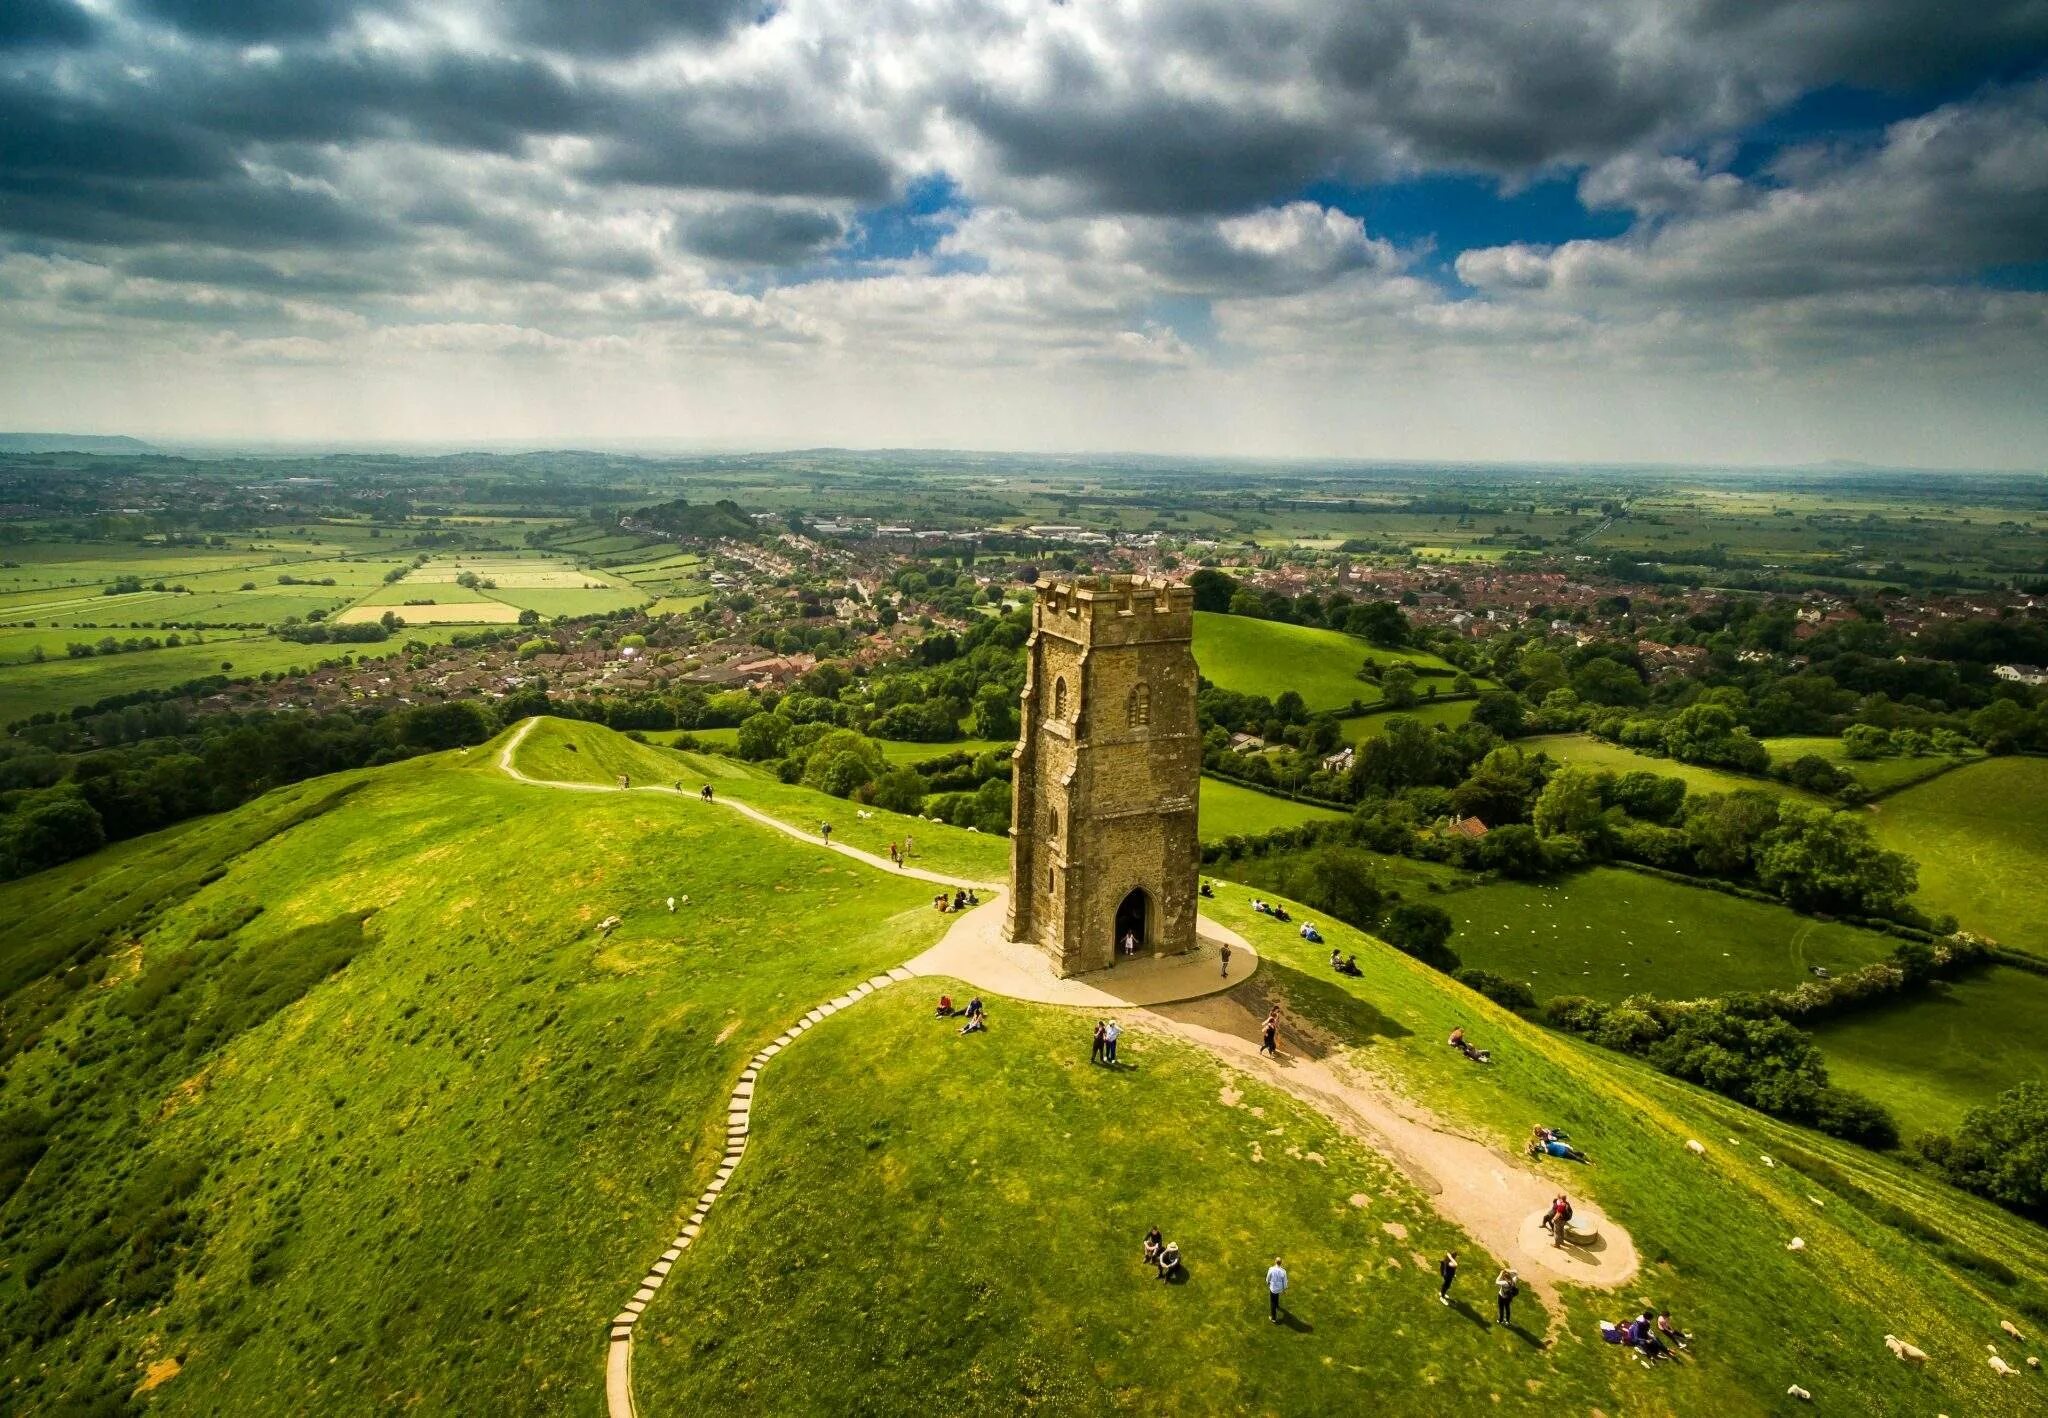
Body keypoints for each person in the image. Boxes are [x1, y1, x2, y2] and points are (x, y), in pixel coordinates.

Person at [1266, 1257, 1288, 1322]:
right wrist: (1284, 1289)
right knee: (1276, 1295)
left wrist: (1267, 1282)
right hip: (1279, 1288)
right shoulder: (1283, 1271)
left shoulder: (1271, 1269)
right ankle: (1277, 1305)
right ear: (1281, 1263)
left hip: (1273, 1288)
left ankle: (1273, 1318)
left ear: (1275, 1261)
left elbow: (1268, 1277)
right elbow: (1285, 1281)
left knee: (1272, 1302)